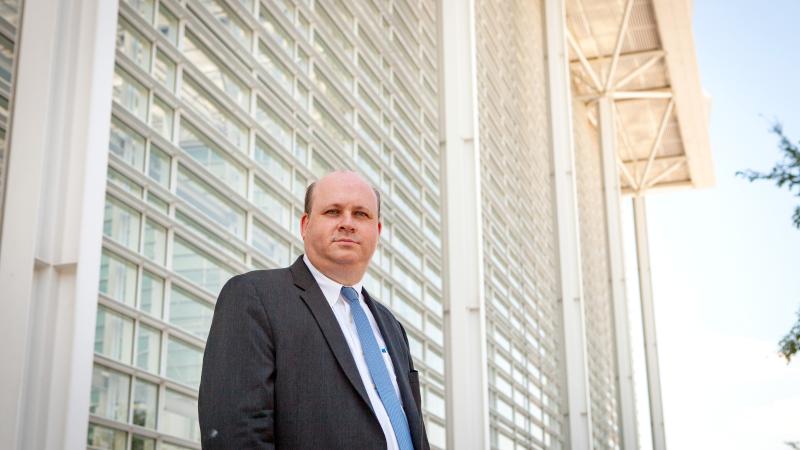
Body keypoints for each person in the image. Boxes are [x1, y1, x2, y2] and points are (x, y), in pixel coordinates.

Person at [198, 171, 430, 450]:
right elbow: (236, 433)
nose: (347, 223)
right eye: (333, 212)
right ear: (305, 225)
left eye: (361, 214)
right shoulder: (255, 297)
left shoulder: (392, 327)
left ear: (377, 231)